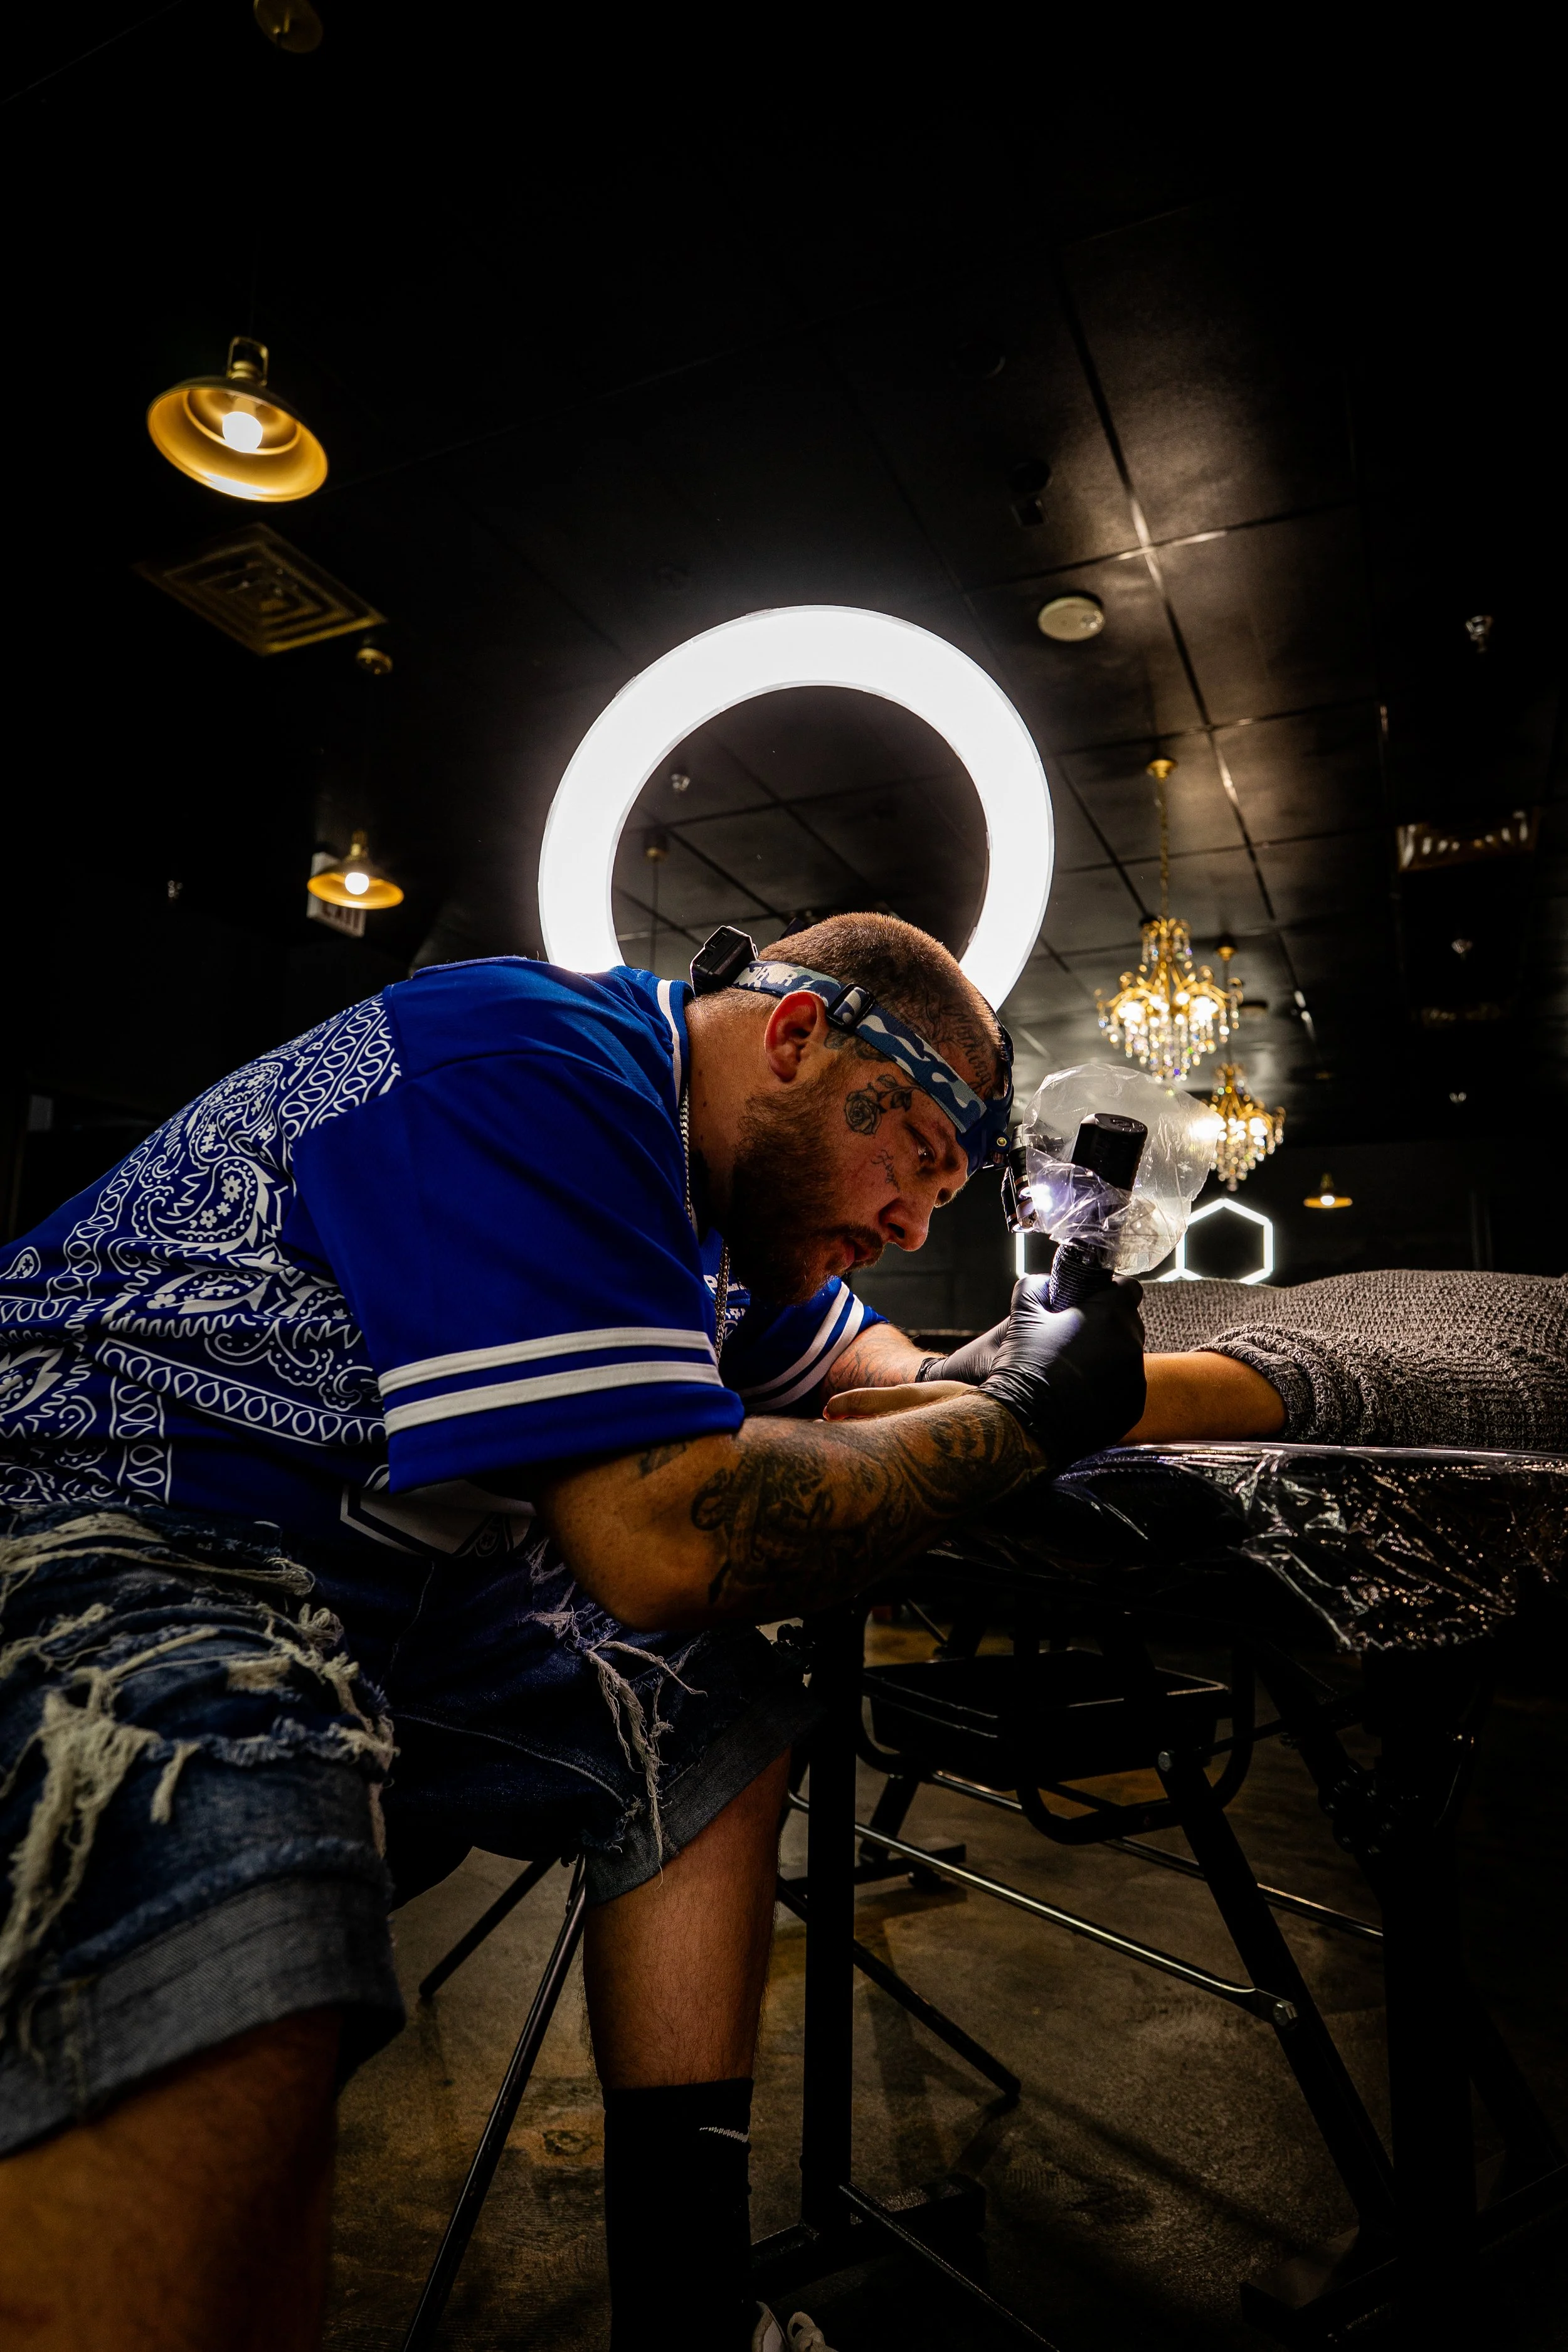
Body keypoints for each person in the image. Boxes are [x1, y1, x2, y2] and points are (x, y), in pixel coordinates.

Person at [0, 913, 1145, 2352]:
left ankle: (685, 2315)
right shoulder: (543, 1064)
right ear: (795, 1041)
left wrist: (991, 1374)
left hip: (363, 1582)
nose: (917, 1221)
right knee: (231, 1813)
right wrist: (1022, 1424)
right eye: (909, 1154)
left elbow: (874, 1370)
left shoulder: (713, 1194)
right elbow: (667, 1536)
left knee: (704, 1720)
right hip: (109, 1515)